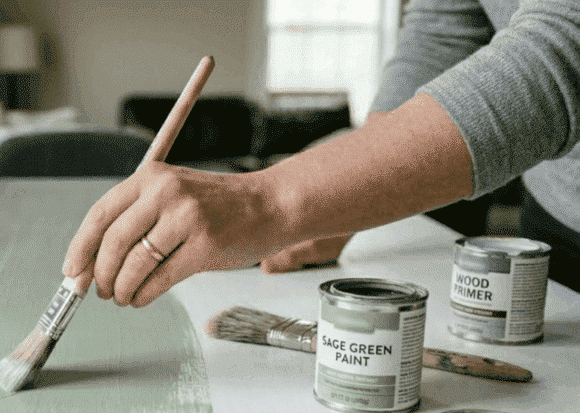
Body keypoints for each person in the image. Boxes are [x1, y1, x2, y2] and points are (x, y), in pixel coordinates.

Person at [61, 0, 580, 305]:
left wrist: (267, 202)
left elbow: (566, 43)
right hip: (555, 213)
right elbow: (444, 31)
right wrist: (353, 196)